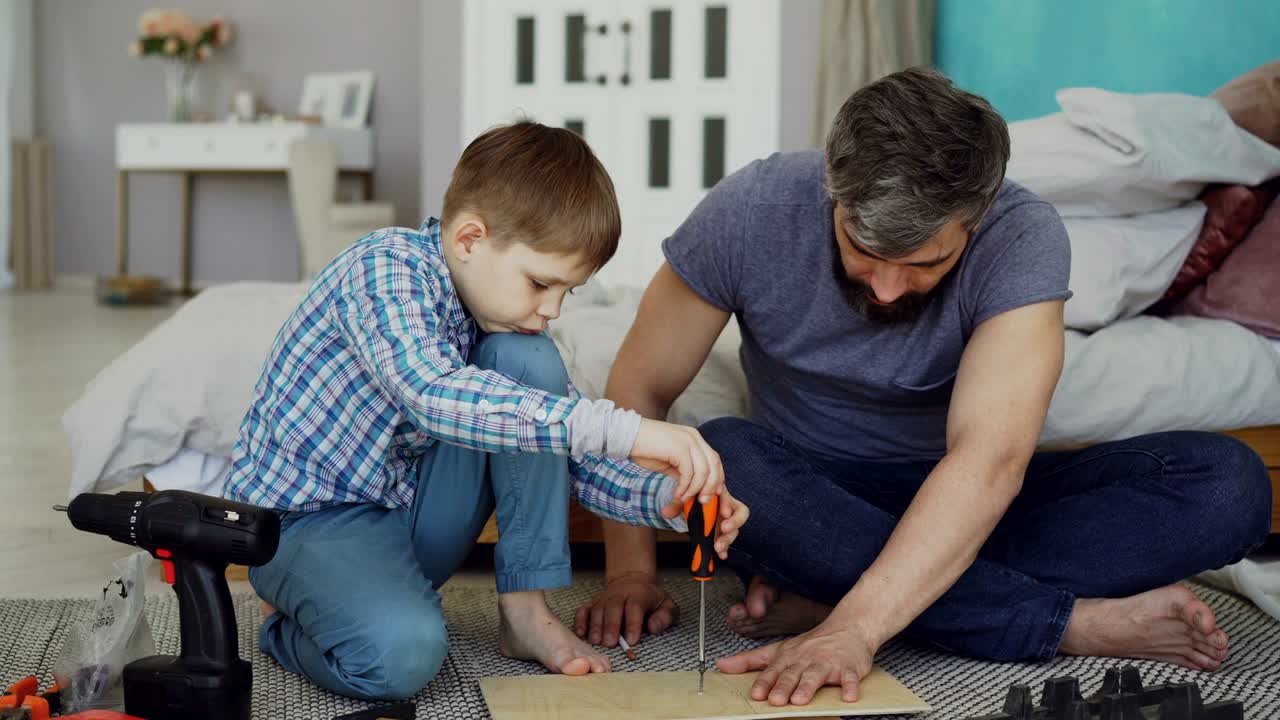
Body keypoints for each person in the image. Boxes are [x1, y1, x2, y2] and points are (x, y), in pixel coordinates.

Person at [574, 67, 1272, 706]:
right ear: (831, 185)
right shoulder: (752, 209)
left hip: (967, 491)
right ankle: (1064, 625)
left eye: (924, 263)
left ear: (978, 214)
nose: (884, 289)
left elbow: (988, 461)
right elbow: (638, 389)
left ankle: (849, 595)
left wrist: (853, 627)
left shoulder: (1021, 234)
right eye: (863, 251)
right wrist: (630, 575)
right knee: (726, 459)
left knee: (1229, 484)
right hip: (811, 499)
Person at [223, 121, 749, 700]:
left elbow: (562, 449)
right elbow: (434, 394)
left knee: (530, 361)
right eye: (540, 283)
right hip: (305, 523)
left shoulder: (496, 322)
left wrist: (667, 503)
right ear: (469, 239)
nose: (551, 309)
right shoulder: (382, 268)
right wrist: (634, 431)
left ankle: (524, 613)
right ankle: (288, 625)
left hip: (409, 516)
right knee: (403, 658)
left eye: (566, 292)